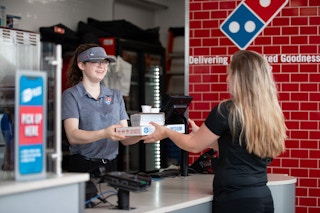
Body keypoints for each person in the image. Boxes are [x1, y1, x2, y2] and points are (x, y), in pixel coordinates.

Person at [142, 50, 287, 213]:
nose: (227, 78)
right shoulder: (269, 111)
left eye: (229, 73)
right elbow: (239, 149)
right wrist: (205, 137)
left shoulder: (227, 110)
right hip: (262, 197)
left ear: (239, 77)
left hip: (235, 202)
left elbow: (193, 146)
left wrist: (166, 132)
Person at [62, 43, 141, 203]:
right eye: (95, 62)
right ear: (81, 65)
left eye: (104, 62)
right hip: (82, 167)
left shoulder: (116, 95)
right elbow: (73, 135)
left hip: (112, 168)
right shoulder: (71, 95)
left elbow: (124, 138)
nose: (101, 66)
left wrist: (142, 134)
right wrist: (104, 133)